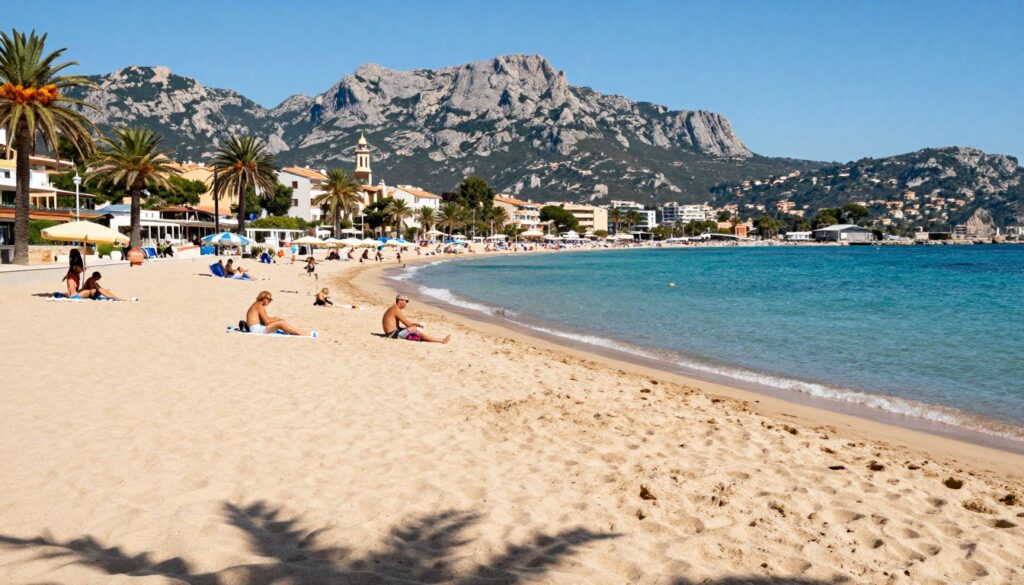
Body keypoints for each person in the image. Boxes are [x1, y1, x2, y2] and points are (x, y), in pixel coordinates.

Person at [381, 294, 450, 343]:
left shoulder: (394, 308)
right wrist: (416, 326)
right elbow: (407, 323)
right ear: (400, 301)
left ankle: (426, 338)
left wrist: (411, 327)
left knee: (414, 331)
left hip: (392, 333)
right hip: (392, 335)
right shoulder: (396, 309)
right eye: (406, 301)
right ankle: (442, 340)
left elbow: (397, 326)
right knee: (414, 330)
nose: (407, 303)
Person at [243, 291, 315, 336]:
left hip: (255, 327)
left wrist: (276, 319)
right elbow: (266, 322)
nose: (270, 301)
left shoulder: (257, 305)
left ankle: (294, 331)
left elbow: (263, 320)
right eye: (269, 299)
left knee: (281, 322)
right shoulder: (259, 306)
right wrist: (276, 319)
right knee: (281, 323)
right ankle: (302, 333)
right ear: (263, 298)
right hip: (256, 329)